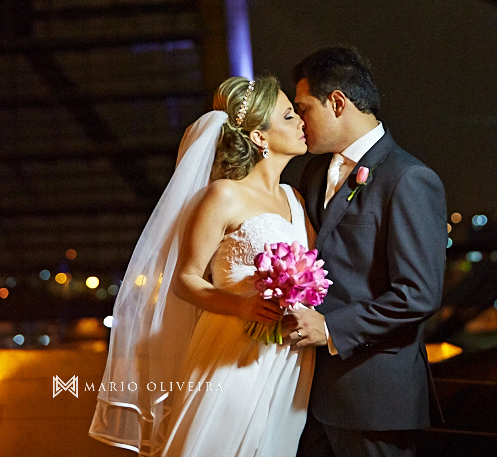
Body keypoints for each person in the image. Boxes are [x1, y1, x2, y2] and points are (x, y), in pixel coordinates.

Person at [89, 75, 315, 457]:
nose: (302, 123)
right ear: (260, 137)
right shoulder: (223, 195)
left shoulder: (294, 199)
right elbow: (185, 279)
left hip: (289, 358)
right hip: (232, 352)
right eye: (290, 116)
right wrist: (243, 305)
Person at [285, 47, 448, 457]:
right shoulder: (314, 171)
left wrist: (331, 329)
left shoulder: (409, 177)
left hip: (375, 398)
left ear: (337, 102)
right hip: (309, 396)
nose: (300, 122)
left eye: (303, 109)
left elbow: (418, 293)